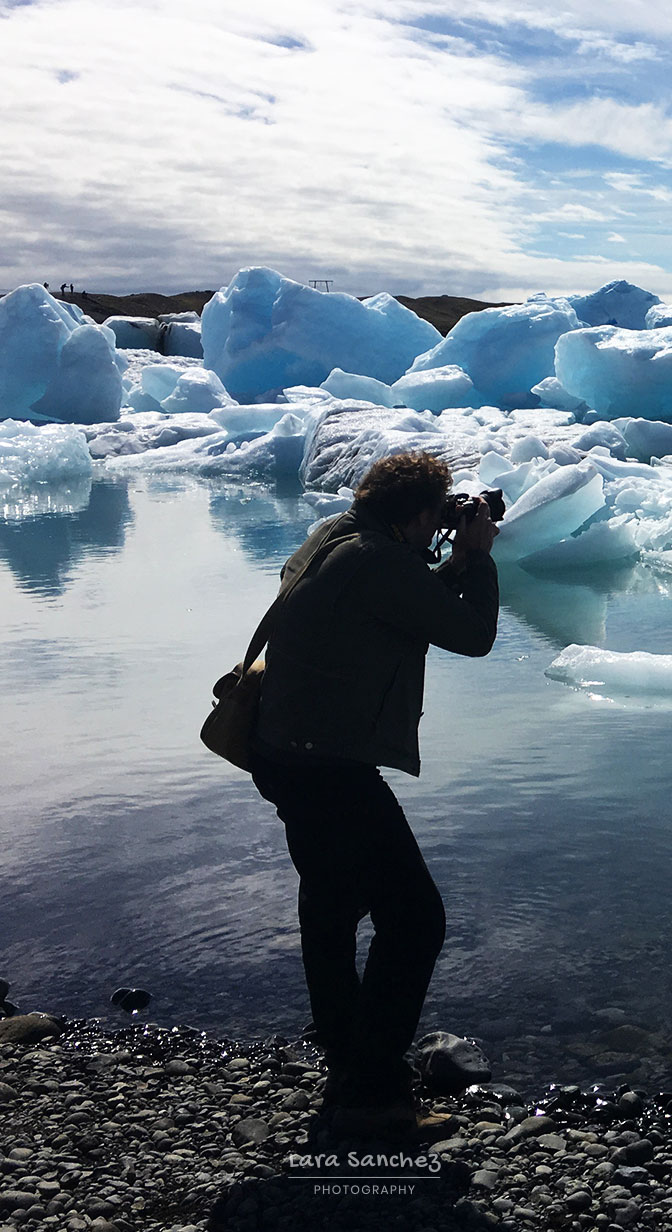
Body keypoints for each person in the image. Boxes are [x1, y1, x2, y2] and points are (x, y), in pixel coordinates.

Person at [250, 451, 499, 1141]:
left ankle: (343, 1043)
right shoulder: (384, 563)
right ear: (417, 515)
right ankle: (372, 1093)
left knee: (330, 901)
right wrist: (477, 559)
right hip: (331, 767)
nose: (444, 522)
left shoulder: (337, 533)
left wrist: (440, 559)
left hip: (281, 751)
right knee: (415, 920)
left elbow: (394, 604)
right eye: (438, 513)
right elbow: (473, 637)